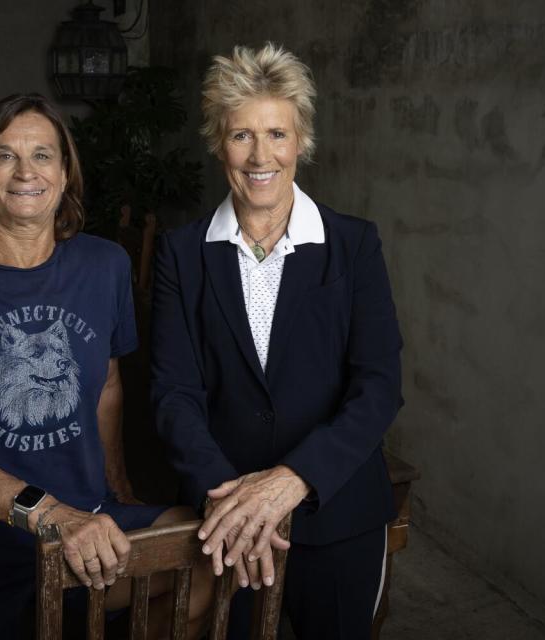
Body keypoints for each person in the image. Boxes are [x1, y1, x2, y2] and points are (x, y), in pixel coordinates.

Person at [0, 93, 209, 639]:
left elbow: (105, 386)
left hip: (81, 526)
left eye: (43, 155)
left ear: (65, 174)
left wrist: (116, 488)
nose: (25, 171)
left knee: (203, 554)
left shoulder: (104, 265)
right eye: (5, 156)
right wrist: (51, 514)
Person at [150, 43, 403, 639]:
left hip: (337, 513)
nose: (260, 155)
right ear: (218, 143)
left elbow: (378, 386)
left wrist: (293, 480)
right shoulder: (181, 254)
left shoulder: (354, 245)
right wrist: (228, 503)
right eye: (241, 135)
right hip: (225, 526)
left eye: (277, 134)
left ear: (301, 142)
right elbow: (173, 392)